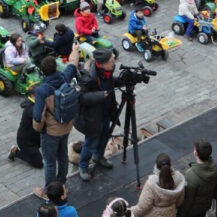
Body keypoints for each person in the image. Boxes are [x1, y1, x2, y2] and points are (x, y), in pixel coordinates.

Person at [32, 44, 80, 196]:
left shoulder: (42, 90)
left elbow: (38, 116)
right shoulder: (64, 77)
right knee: (63, 157)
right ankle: (62, 184)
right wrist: (74, 50)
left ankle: (50, 191)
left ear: (43, 71)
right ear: (56, 67)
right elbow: (72, 64)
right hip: (66, 126)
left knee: (50, 162)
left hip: (51, 132)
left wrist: (38, 129)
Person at [75, 48, 120, 181]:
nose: (113, 64)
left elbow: (111, 82)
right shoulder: (88, 76)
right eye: (111, 62)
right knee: (91, 141)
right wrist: (99, 95)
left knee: (105, 135)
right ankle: (83, 166)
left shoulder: (107, 71)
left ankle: (99, 156)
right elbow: (80, 97)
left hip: (105, 112)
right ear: (103, 63)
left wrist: (125, 80)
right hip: (92, 116)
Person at [130, 153, 186, 217]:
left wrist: (131, 212)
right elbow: (179, 201)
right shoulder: (179, 179)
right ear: (171, 164)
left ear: (156, 166)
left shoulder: (151, 183)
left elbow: (144, 206)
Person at [179, 140, 217, 217]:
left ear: (195, 154)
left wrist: (181, 214)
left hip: (193, 211)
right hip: (205, 206)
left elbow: (188, 200)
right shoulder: (214, 168)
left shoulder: (191, 175)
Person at [8, 86, 42, 169]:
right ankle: (16, 152)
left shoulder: (37, 103)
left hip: (36, 137)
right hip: (26, 141)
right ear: (32, 96)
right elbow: (41, 116)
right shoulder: (30, 109)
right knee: (38, 163)